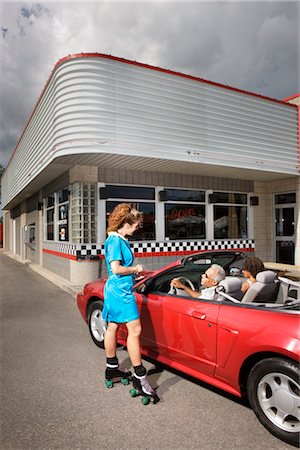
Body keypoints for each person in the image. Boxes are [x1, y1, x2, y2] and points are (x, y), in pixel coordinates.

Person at [102, 203, 159, 402]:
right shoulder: (117, 242)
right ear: (125, 224)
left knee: (112, 327)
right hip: (120, 292)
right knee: (134, 331)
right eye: (134, 225)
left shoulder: (113, 239)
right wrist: (135, 269)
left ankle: (112, 369)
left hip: (115, 289)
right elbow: (116, 269)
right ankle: (140, 378)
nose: (136, 228)